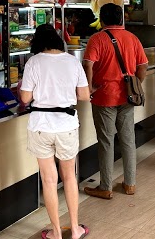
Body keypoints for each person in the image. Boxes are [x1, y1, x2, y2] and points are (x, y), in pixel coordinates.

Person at [19, 24, 90, 239]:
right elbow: (85, 95)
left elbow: (24, 98)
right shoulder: (72, 61)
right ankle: (75, 229)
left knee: (49, 180)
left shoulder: (34, 62)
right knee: (69, 176)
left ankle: (56, 233)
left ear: (37, 43)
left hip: (41, 126)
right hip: (67, 125)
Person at [83, 2, 148, 198]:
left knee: (106, 141)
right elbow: (143, 66)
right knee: (128, 140)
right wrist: (134, 84)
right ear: (122, 18)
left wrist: (89, 87)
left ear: (101, 19)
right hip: (127, 97)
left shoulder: (97, 39)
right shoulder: (132, 38)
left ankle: (105, 187)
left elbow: (88, 64)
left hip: (104, 97)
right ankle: (130, 184)